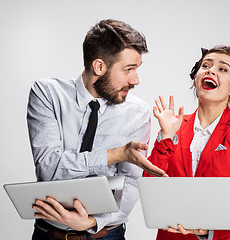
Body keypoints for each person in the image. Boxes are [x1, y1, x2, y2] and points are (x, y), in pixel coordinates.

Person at [27, 19, 167, 240]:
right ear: (99, 66)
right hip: (49, 234)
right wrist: (115, 155)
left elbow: (130, 183)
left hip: (106, 235)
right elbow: (49, 168)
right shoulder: (48, 94)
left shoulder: (137, 112)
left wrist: (92, 222)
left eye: (137, 69)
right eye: (129, 69)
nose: (136, 80)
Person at [144, 46, 230, 240]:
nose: (210, 70)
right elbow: (151, 190)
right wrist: (165, 137)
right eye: (205, 66)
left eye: (222, 69)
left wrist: (209, 231)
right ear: (195, 79)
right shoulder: (173, 126)